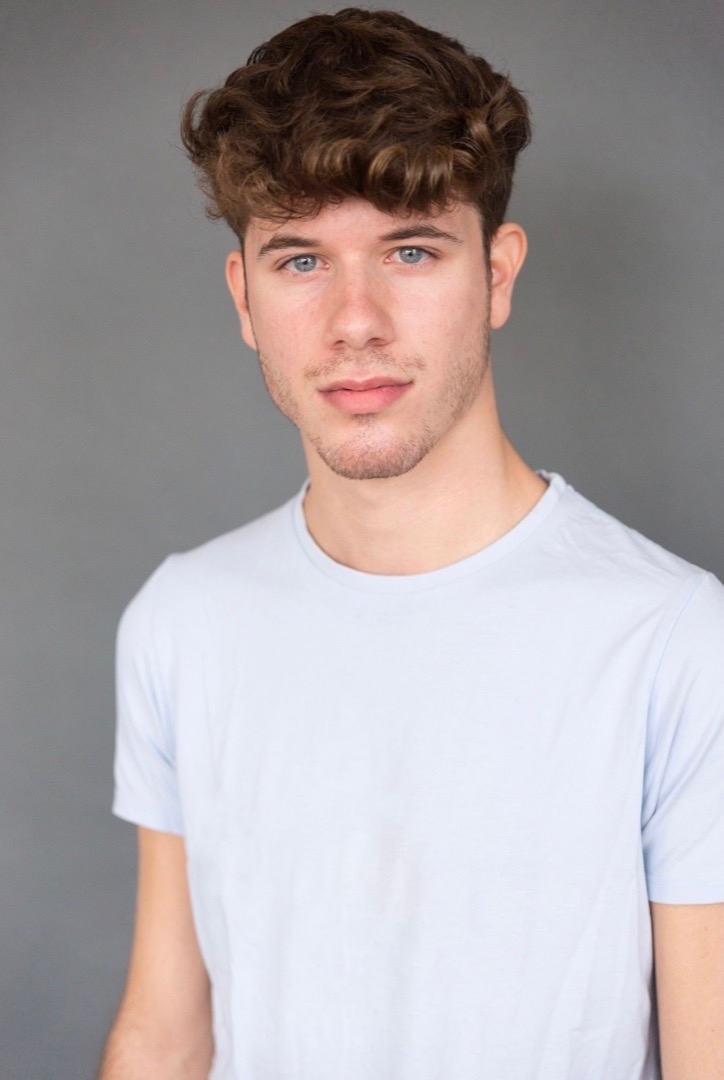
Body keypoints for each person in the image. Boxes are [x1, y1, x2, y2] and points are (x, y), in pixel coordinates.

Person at [99, 8, 724, 1079]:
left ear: (497, 274)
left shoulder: (674, 639)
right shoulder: (182, 619)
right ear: (244, 296)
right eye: (301, 260)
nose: (356, 321)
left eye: (411, 250)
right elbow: (165, 1031)